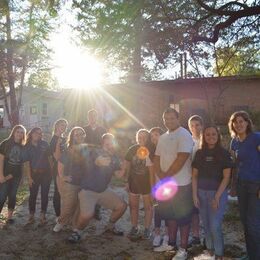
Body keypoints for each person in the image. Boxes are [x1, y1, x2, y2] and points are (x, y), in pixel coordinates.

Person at [67, 133, 127, 243]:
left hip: (103, 190)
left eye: (111, 143)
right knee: (87, 215)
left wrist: (123, 167)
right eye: (107, 143)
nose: (109, 145)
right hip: (87, 190)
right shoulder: (95, 152)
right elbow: (98, 161)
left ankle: (110, 226)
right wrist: (102, 161)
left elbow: (118, 175)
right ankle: (77, 232)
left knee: (122, 206)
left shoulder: (114, 157)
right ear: (102, 143)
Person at [154, 108, 194, 260]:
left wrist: (165, 176)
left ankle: (183, 249)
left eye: (171, 118)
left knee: (183, 218)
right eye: (166, 118)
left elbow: (182, 158)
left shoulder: (184, 134)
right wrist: (161, 176)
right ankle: (171, 243)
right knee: (169, 216)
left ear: (178, 118)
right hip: (166, 184)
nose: (168, 121)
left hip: (181, 184)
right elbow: (156, 158)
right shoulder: (163, 137)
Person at [192, 126, 232, 260]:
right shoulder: (199, 153)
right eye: (207, 134)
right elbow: (195, 176)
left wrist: (217, 197)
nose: (211, 136)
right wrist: (194, 195)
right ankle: (210, 252)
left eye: (213, 134)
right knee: (206, 224)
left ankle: (219, 254)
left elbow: (226, 177)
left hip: (218, 194)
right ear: (204, 136)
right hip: (201, 193)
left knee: (215, 225)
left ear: (218, 135)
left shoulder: (224, 153)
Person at [229, 111, 260, 260]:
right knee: (245, 222)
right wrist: (233, 186)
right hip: (241, 185)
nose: (239, 124)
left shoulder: (256, 138)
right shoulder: (234, 141)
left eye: (242, 121)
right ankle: (251, 254)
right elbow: (235, 166)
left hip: (256, 185)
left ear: (248, 123)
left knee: (253, 224)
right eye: (236, 122)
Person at [53, 127, 88, 232]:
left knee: (78, 206)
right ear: (72, 137)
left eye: (81, 134)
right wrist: (62, 176)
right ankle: (60, 222)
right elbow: (60, 163)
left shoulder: (86, 148)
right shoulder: (70, 149)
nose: (80, 136)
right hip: (71, 183)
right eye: (77, 134)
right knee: (68, 206)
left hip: (83, 183)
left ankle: (74, 225)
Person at [125, 129, 154, 240]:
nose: (141, 139)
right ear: (136, 138)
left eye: (144, 137)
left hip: (146, 183)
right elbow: (128, 167)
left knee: (148, 207)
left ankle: (147, 229)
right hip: (134, 182)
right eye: (139, 137)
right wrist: (126, 181)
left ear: (148, 139)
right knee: (133, 206)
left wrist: (152, 188)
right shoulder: (132, 149)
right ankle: (134, 227)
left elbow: (152, 172)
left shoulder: (151, 150)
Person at [24, 127, 52, 225]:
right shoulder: (26, 146)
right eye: (36, 133)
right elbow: (27, 163)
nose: (38, 135)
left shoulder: (45, 144)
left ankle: (42, 215)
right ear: (31, 133)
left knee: (45, 195)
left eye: (40, 133)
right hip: (34, 175)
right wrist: (29, 177)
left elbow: (50, 159)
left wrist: (51, 172)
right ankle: (31, 215)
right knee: (33, 195)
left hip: (46, 174)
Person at [148, 127, 170, 249]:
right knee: (158, 210)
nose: (154, 138)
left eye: (156, 134)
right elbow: (151, 174)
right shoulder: (150, 154)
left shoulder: (169, 151)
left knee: (168, 210)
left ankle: (167, 234)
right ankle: (157, 233)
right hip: (157, 187)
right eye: (151, 136)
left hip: (169, 186)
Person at [83, 109, 107, 220]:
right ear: (88, 117)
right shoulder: (84, 129)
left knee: (99, 183)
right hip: (87, 160)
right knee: (87, 184)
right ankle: (87, 209)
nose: (93, 117)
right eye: (91, 115)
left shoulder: (102, 129)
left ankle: (97, 210)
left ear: (97, 117)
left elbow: (105, 144)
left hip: (99, 159)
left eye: (94, 115)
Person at [0, 125, 26, 223]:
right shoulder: (5, 143)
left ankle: (9, 217)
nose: (19, 134)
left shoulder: (23, 146)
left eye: (21, 132)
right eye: (17, 132)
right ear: (13, 132)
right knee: (2, 195)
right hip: (5, 175)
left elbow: (22, 163)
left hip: (16, 176)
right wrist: (1, 175)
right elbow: (1, 160)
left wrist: (22, 177)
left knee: (12, 195)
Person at [188, 115, 204, 247]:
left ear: (202, 125)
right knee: (194, 209)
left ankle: (209, 236)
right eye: (192, 125)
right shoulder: (188, 140)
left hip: (206, 180)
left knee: (207, 209)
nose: (195, 128)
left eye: (197, 124)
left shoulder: (208, 139)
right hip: (191, 179)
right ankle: (196, 235)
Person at [50, 118, 68, 218]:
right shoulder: (54, 139)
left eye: (65, 125)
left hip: (66, 168)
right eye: (62, 125)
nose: (64, 127)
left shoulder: (64, 139)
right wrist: (58, 143)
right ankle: (58, 215)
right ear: (57, 126)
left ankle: (64, 213)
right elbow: (57, 157)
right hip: (57, 168)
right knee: (58, 191)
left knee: (65, 191)